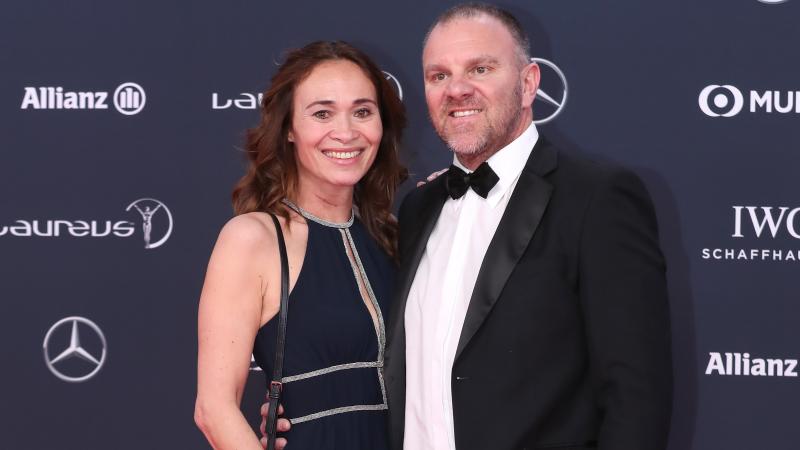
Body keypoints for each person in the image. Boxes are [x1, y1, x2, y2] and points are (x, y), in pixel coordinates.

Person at [263, 3, 672, 450]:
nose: (457, 90)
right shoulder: (418, 209)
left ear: (529, 82)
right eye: (439, 76)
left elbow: (637, 397)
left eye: (480, 68)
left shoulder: (596, 199)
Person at [195, 40, 407, 450]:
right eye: (322, 113)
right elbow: (214, 409)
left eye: (362, 111)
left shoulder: (394, 237)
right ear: (289, 128)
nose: (346, 132)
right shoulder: (253, 239)